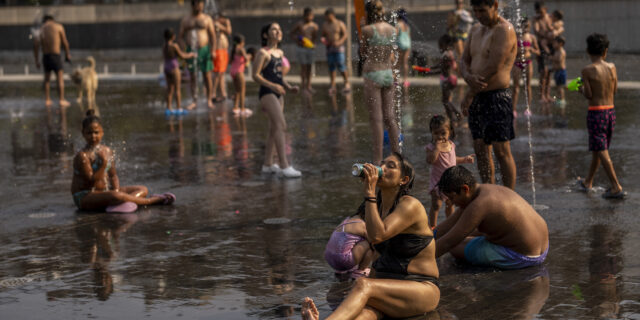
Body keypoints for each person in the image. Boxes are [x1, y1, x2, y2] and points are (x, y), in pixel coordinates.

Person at [302, 153, 440, 320]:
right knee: (363, 314)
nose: (382, 168)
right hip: (388, 288)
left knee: (363, 285)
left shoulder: (410, 205)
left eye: (391, 166)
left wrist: (369, 191)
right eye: (382, 164)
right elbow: (377, 254)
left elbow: (377, 236)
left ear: (403, 180)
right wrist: (359, 292)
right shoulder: (378, 207)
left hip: (420, 288)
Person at [434, 165, 549, 269]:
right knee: (464, 233)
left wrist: (419, 259)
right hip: (542, 248)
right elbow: (450, 223)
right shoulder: (484, 190)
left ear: (465, 189)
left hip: (520, 256)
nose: (452, 203)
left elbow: (448, 242)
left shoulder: (479, 205)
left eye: (452, 197)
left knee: (454, 247)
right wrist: (428, 236)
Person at [460, 0, 517, 189]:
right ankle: (489, 192)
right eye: (475, 11)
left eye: (482, 10)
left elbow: (495, 65)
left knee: (502, 150)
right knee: (480, 148)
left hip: (497, 96)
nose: (478, 15)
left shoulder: (504, 30)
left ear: (495, 5)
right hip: (478, 96)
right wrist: (468, 76)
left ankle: (510, 196)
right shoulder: (476, 29)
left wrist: (470, 92)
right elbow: (464, 59)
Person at [71, 110, 176, 211]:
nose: (93, 136)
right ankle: (152, 200)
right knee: (116, 195)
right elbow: (91, 182)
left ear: (102, 132)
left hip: (104, 192)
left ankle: (121, 201)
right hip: (85, 196)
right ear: (83, 134)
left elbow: (113, 175)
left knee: (142, 189)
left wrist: (116, 189)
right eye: (89, 133)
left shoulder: (106, 150)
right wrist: (103, 164)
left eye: (96, 132)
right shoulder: (82, 156)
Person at [576, 33, 625, 199]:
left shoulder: (587, 70)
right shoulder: (612, 67)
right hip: (610, 111)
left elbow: (588, 95)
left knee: (601, 150)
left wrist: (580, 88)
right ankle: (588, 181)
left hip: (596, 112)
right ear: (605, 52)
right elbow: (615, 89)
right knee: (599, 149)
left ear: (588, 51)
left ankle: (616, 186)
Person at [252, 23, 302, 178]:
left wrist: (288, 86)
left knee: (274, 129)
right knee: (281, 125)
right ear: (266, 35)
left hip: (279, 92)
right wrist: (273, 86)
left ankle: (267, 164)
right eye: (274, 29)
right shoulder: (263, 53)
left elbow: (279, 77)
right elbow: (255, 75)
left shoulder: (280, 53)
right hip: (267, 93)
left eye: (279, 29)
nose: (278, 31)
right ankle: (284, 165)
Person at [360, 0, 400, 164]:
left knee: (376, 119)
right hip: (388, 74)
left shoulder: (367, 30)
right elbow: (392, 54)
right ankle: (397, 155)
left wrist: (362, 27)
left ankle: (377, 160)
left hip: (373, 74)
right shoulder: (392, 29)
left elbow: (363, 53)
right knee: (390, 118)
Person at [426, 115, 474, 229]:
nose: (440, 136)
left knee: (450, 203)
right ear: (431, 133)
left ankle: (450, 224)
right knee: (436, 205)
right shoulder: (431, 147)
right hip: (437, 182)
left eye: (443, 133)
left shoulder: (451, 145)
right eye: (436, 133)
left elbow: (452, 159)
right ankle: (432, 226)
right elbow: (430, 160)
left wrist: (464, 159)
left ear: (450, 132)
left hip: (451, 181)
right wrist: (437, 149)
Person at [178, 0, 217, 110]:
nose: (200, 7)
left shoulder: (207, 19)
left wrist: (213, 50)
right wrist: (184, 50)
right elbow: (180, 37)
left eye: (202, 5)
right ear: (193, 5)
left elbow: (213, 36)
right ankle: (194, 101)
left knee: (207, 76)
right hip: (191, 50)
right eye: (198, 5)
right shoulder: (186, 19)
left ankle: (209, 99)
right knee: (193, 76)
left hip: (204, 50)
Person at [323, 207, 374, 280]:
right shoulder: (361, 225)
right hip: (343, 261)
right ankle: (360, 271)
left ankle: (343, 270)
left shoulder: (347, 220)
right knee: (370, 243)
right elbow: (374, 240)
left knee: (351, 242)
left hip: (330, 259)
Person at [33, 15, 71, 108]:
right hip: (56, 55)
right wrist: (67, 54)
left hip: (46, 56)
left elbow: (36, 46)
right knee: (60, 78)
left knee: (47, 79)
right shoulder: (58, 27)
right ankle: (61, 99)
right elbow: (65, 42)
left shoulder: (41, 29)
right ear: (52, 20)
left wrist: (37, 60)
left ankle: (47, 100)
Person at [511, 18, 540, 117]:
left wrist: (532, 49)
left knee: (528, 86)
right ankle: (513, 109)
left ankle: (528, 108)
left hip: (528, 63)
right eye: (525, 26)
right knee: (515, 87)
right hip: (517, 63)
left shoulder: (532, 37)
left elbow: (538, 52)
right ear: (520, 26)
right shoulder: (515, 36)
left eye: (528, 26)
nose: (527, 28)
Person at [163, 28, 196, 115]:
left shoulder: (164, 46)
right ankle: (178, 108)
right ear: (173, 37)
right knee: (177, 89)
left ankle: (168, 108)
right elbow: (182, 56)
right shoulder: (174, 46)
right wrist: (191, 55)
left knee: (169, 89)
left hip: (166, 68)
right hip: (174, 68)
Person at [431, 34, 463, 122]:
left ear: (446, 45)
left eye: (440, 45)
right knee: (445, 100)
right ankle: (451, 117)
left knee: (445, 101)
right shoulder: (449, 53)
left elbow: (441, 69)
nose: (439, 47)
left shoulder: (446, 55)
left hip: (448, 80)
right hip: (450, 79)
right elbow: (440, 65)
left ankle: (456, 114)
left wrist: (430, 72)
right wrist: (432, 68)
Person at [321, 8, 351, 95]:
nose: (326, 18)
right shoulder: (325, 24)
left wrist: (340, 42)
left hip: (338, 47)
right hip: (329, 47)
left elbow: (345, 34)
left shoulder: (339, 23)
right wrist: (323, 40)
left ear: (332, 15)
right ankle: (333, 85)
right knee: (331, 66)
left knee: (341, 65)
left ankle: (346, 83)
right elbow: (323, 35)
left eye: (328, 16)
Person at [290, 7, 319, 93]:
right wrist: (297, 39)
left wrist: (314, 44)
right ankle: (303, 86)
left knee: (309, 67)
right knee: (303, 67)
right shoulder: (300, 24)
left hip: (310, 48)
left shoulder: (314, 26)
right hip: (301, 48)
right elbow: (292, 33)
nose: (309, 18)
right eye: (308, 16)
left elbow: (314, 38)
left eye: (311, 16)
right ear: (304, 16)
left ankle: (309, 86)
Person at [533, 1, 553, 103]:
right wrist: (547, 34)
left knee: (549, 72)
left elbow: (555, 28)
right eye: (538, 12)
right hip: (542, 47)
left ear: (545, 9)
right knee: (543, 72)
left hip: (550, 46)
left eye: (541, 11)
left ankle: (547, 95)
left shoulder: (549, 17)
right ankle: (542, 96)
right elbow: (536, 30)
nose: (540, 14)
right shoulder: (536, 19)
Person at [229, 34, 254, 116]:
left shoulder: (233, 50)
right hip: (239, 72)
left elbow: (230, 62)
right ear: (241, 42)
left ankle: (235, 108)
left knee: (237, 90)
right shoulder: (241, 49)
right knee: (242, 90)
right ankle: (242, 109)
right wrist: (250, 55)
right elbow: (246, 58)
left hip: (232, 71)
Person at [212, 11, 232, 102]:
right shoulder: (215, 24)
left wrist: (226, 24)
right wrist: (225, 24)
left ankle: (223, 93)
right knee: (218, 72)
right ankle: (213, 93)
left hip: (224, 51)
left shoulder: (222, 25)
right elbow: (227, 31)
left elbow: (229, 32)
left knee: (222, 73)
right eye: (222, 18)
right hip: (218, 50)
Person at [395, 8, 411, 92]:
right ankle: (405, 80)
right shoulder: (407, 25)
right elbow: (409, 36)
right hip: (407, 44)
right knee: (405, 63)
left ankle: (396, 80)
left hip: (400, 44)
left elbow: (395, 34)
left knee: (398, 63)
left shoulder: (398, 24)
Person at [551, 36, 566, 105]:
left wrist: (551, 58)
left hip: (561, 71)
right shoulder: (557, 51)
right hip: (557, 71)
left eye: (555, 43)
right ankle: (558, 98)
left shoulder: (561, 51)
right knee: (557, 86)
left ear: (560, 44)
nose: (553, 45)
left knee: (560, 87)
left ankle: (562, 99)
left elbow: (559, 59)